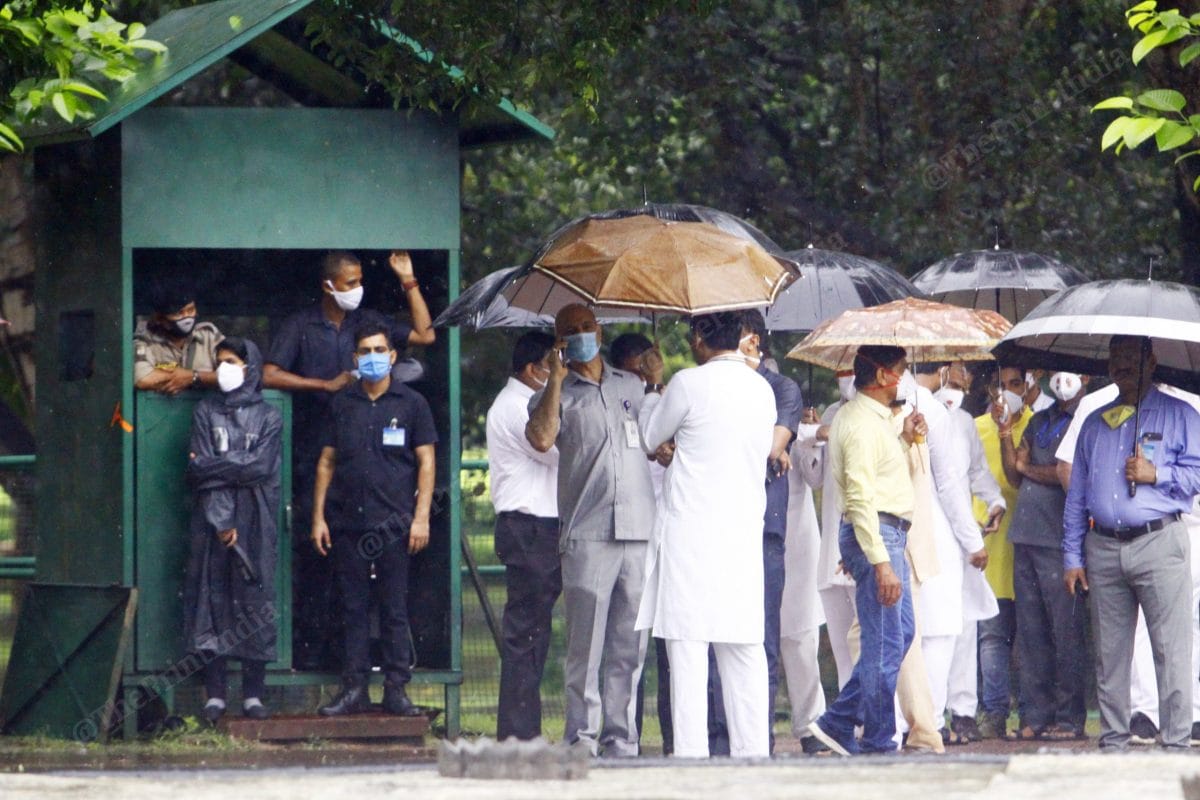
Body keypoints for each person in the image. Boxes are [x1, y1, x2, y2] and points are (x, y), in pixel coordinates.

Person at [264, 250, 434, 671]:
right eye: (349, 283)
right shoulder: (301, 326)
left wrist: (408, 280)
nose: (357, 290)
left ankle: (385, 675)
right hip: (317, 453)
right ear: (328, 286)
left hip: (376, 463)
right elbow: (268, 374)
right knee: (320, 561)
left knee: (385, 589)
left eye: (361, 281)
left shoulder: (368, 324)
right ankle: (315, 658)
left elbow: (426, 335)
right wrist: (324, 383)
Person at [636, 311, 776, 758]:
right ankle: (754, 758)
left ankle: (692, 762)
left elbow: (650, 437)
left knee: (688, 652)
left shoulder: (687, 384)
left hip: (691, 535)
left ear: (699, 337)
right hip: (740, 534)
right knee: (743, 650)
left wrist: (651, 390)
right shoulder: (762, 389)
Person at [525, 304, 654, 757]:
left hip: (638, 530)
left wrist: (656, 383)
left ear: (599, 330)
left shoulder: (632, 386)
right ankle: (581, 739)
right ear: (558, 341)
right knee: (586, 647)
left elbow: (660, 444)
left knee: (629, 649)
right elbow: (541, 439)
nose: (582, 335)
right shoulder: (550, 393)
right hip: (588, 532)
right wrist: (556, 379)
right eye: (571, 331)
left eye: (587, 326)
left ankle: (622, 741)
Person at [1063, 336, 1200, 750]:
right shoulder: (1094, 421)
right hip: (1102, 547)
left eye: (1130, 357)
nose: (1120, 365)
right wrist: (1072, 555)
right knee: (1110, 656)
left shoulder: (1182, 415)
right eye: (1115, 357)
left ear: (1151, 361)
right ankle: (1114, 744)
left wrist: (1155, 474)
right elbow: (1077, 497)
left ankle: (1175, 744)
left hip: (1159, 542)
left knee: (1170, 650)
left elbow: (1197, 477)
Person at [311, 323, 437, 716]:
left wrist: (421, 519)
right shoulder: (343, 404)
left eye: (379, 350)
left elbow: (426, 462)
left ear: (393, 356)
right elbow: (326, 462)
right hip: (348, 524)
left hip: (395, 526)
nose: (372, 357)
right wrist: (318, 517)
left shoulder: (411, 403)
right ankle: (354, 689)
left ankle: (397, 690)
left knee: (394, 608)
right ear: (354, 358)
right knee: (353, 608)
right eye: (364, 351)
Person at [696, 309, 801, 755]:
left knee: (762, 639)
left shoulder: (781, 389)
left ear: (752, 341)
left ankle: (758, 741)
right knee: (716, 638)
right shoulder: (707, 385)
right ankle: (719, 742)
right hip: (718, 527)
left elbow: (771, 446)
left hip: (764, 534)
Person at [807, 345, 920, 756]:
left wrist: (904, 439)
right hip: (877, 536)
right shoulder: (857, 423)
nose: (904, 378)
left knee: (896, 635)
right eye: (901, 370)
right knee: (884, 643)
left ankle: (838, 721)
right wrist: (879, 561)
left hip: (887, 534)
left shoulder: (876, 421)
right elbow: (858, 497)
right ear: (882, 376)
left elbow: (882, 474)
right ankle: (876, 740)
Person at [183, 337, 282, 723]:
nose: (224, 368)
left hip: (257, 519)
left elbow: (259, 467)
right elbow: (197, 472)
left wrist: (213, 464)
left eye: (232, 361)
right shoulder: (205, 412)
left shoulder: (270, 416)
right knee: (213, 599)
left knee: (255, 600)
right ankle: (216, 694)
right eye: (219, 361)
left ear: (250, 366)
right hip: (213, 520)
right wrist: (222, 521)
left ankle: (254, 694)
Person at [1003, 371, 1089, 740]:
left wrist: (1029, 466)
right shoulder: (1040, 419)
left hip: (1060, 538)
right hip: (1025, 535)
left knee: (1066, 631)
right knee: (1032, 630)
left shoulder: (1088, 417)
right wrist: (1006, 435)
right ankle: (1035, 715)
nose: (1061, 379)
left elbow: (1066, 473)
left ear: (1085, 376)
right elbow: (1015, 474)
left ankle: (1069, 718)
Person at [486, 331, 561, 740]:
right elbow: (556, 450)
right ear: (535, 370)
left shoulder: (520, 402)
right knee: (526, 636)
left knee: (532, 634)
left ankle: (523, 731)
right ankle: (518, 734)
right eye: (554, 367)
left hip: (536, 527)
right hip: (529, 526)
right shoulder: (518, 408)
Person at [609, 331, 676, 755]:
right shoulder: (616, 398)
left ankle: (676, 738)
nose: (642, 375)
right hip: (632, 531)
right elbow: (645, 439)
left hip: (667, 530)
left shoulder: (670, 397)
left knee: (673, 644)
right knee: (627, 644)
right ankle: (624, 738)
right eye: (636, 368)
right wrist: (650, 388)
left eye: (647, 367)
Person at [973, 364, 1033, 739]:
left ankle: (1030, 714)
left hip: (1024, 542)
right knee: (992, 637)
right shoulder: (975, 428)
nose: (1006, 392)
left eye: (1015, 384)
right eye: (1000, 385)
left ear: (1028, 386)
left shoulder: (1036, 425)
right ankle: (994, 714)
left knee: (1030, 636)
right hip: (989, 544)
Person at [135, 283, 223, 394]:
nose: (187, 318)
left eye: (190, 310)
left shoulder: (209, 336)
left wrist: (193, 377)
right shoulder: (146, 340)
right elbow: (143, 379)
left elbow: (235, 374)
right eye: (179, 313)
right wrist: (206, 378)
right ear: (160, 319)